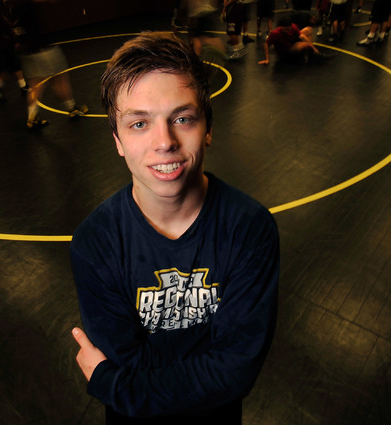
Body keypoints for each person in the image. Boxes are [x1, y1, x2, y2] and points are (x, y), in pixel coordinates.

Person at [70, 32, 279, 424]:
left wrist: (116, 385)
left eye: (182, 118)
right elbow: (222, 368)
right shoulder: (95, 243)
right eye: (139, 124)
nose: (164, 141)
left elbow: (236, 370)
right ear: (117, 140)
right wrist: (211, 362)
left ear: (208, 128)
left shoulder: (250, 229)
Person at [6, 0, 88, 128]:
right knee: (60, 78)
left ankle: (32, 117)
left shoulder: (12, 6)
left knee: (36, 84)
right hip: (42, 49)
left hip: (26, 50)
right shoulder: (27, 5)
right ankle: (72, 109)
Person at [258, 16, 323, 64]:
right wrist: (267, 59)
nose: (287, 31)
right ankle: (314, 54)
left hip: (292, 42)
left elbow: (302, 36)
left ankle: (312, 53)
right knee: (305, 45)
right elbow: (266, 44)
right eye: (285, 30)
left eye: (288, 29)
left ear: (291, 26)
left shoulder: (293, 26)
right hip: (287, 51)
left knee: (308, 30)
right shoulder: (275, 33)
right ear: (281, 27)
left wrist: (314, 48)